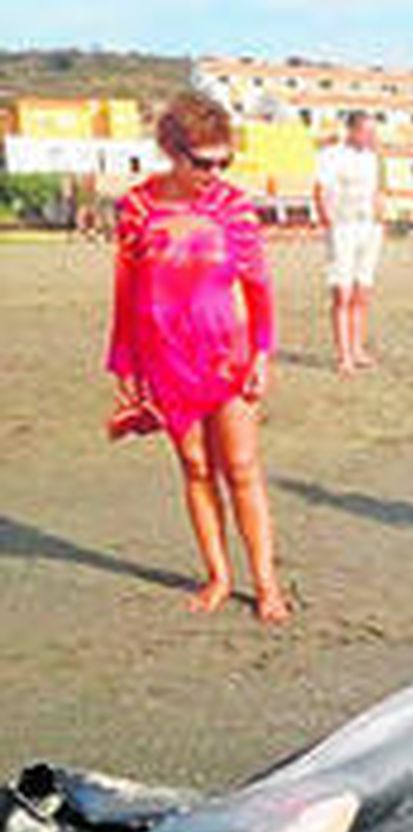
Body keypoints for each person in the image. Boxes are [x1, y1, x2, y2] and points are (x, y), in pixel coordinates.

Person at [106, 91, 289, 623]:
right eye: (202, 162)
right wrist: (127, 367)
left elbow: (258, 286)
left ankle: (266, 582)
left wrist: (261, 352)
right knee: (194, 466)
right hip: (166, 357)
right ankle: (218, 576)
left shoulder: (232, 206)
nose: (213, 173)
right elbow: (127, 290)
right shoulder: (138, 207)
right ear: (171, 149)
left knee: (242, 467)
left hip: (227, 354)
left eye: (222, 162)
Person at [314, 110, 384, 377]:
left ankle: (357, 348)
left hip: (368, 226)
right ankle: (344, 355)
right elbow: (319, 190)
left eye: (372, 132)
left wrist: (379, 216)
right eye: (366, 131)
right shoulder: (331, 156)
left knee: (362, 291)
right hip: (343, 226)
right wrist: (327, 222)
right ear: (352, 130)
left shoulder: (372, 158)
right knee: (342, 293)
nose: (370, 137)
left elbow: (377, 189)